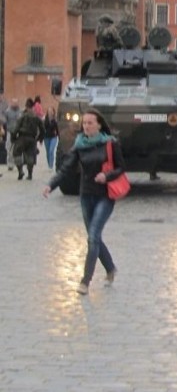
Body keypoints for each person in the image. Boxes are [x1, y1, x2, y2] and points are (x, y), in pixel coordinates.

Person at [42, 109, 122, 295]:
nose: (86, 126)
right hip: (86, 195)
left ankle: (85, 281)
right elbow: (65, 169)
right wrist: (51, 185)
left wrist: (107, 175)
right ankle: (110, 268)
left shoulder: (110, 144)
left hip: (105, 196)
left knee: (93, 236)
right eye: (84, 123)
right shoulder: (79, 145)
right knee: (94, 238)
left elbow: (121, 168)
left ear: (99, 125)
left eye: (90, 123)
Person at [12, 98, 44, 180]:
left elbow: (16, 128)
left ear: (26, 106)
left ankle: (20, 171)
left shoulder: (23, 116)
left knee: (17, 153)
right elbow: (42, 129)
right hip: (32, 139)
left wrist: (13, 138)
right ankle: (30, 174)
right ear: (33, 106)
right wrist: (40, 138)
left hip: (22, 137)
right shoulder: (36, 117)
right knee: (30, 155)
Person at [4, 98, 21, 171]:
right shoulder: (7, 111)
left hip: (18, 133)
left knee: (18, 149)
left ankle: (19, 164)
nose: (14, 104)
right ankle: (10, 164)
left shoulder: (20, 112)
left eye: (16, 103)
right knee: (9, 148)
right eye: (13, 103)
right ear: (11, 103)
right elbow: (5, 121)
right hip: (10, 132)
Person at [43, 106, 60, 170]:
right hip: (46, 137)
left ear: (53, 112)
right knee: (47, 152)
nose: (50, 112)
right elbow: (43, 128)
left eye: (51, 111)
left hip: (53, 137)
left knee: (51, 151)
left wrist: (59, 136)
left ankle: (51, 165)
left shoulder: (55, 120)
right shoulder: (45, 119)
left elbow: (58, 129)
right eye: (49, 111)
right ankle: (49, 163)